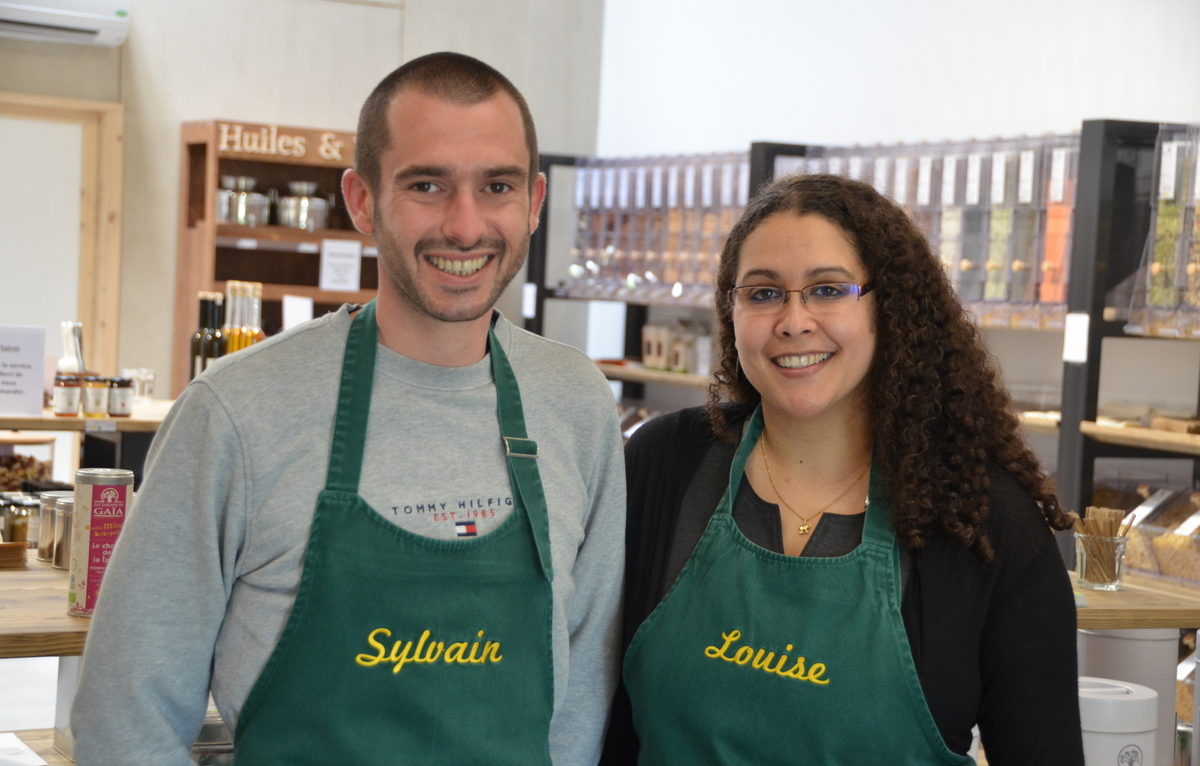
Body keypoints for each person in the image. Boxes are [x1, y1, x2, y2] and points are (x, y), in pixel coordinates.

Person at [71, 52, 626, 766]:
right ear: (362, 201)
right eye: (427, 184)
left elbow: (579, 701)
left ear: (535, 203)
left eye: (497, 186)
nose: (465, 226)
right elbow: (126, 712)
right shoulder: (238, 410)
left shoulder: (576, 404)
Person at [604, 173, 1083, 764]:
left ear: (893, 308)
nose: (794, 320)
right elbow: (608, 728)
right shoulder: (665, 464)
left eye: (829, 290)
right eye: (763, 292)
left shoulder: (978, 517)